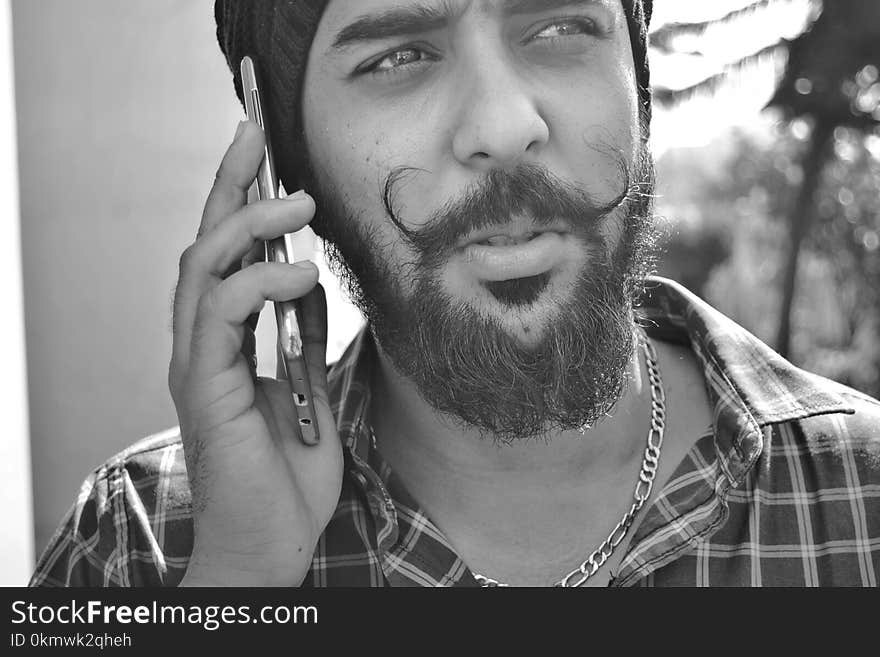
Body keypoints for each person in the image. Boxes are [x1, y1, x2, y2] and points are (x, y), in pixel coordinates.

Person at [31, 0, 880, 588]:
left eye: (559, 25)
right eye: (398, 55)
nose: (505, 126)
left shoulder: (863, 496)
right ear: (284, 158)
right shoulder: (144, 540)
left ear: (640, 85)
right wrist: (241, 576)